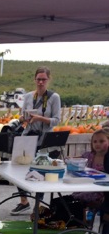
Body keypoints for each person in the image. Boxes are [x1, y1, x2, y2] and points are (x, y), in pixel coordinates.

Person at [11, 66, 61, 215]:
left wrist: (39, 118)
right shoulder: (27, 97)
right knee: (17, 167)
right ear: (34, 79)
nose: (40, 82)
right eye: (38, 79)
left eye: (43, 79)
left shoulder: (54, 97)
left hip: (45, 138)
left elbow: (57, 120)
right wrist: (23, 118)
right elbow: (21, 118)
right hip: (28, 135)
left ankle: (37, 206)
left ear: (48, 80)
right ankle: (24, 201)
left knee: (42, 172)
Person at [72, 128, 109, 211]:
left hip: (102, 192)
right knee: (74, 194)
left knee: (77, 198)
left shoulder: (107, 158)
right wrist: (70, 159)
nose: (97, 144)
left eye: (101, 141)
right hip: (89, 186)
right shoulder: (90, 155)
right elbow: (79, 158)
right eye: (95, 142)